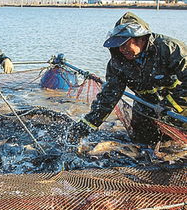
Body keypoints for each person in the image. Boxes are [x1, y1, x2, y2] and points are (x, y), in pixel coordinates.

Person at [69, 12, 186, 145]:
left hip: (179, 106)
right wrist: (87, 124)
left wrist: (171, 107)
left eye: (125, 45)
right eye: (118, 45)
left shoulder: (170, 49)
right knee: (142, 142)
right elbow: (108, 97)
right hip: (146, 105)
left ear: (141, 39)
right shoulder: (117, 63)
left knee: (178, 141)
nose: (121, 50)